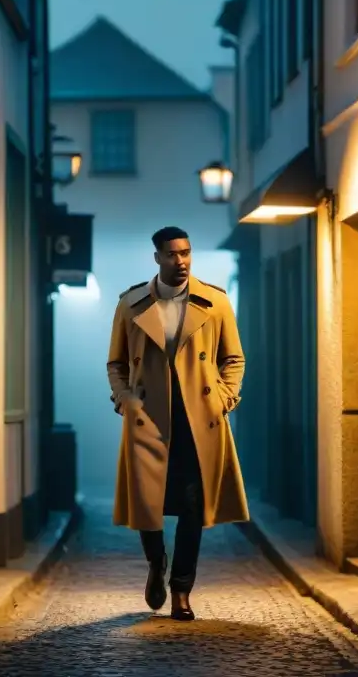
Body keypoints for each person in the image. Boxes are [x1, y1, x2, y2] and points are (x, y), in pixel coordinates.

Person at [106, 226, 250, 621]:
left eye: (186, 252)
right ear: (157, 258)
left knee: (193, 506)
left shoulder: (215, 302)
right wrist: (125, 399)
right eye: (171, 254)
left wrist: (224, 398)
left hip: (197, 419)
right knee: (147, 502)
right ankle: (156, 563)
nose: (181, 261)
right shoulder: (131, 304)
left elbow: (233, 359)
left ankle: (182, 590)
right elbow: (116, 363)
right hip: (148, 418)